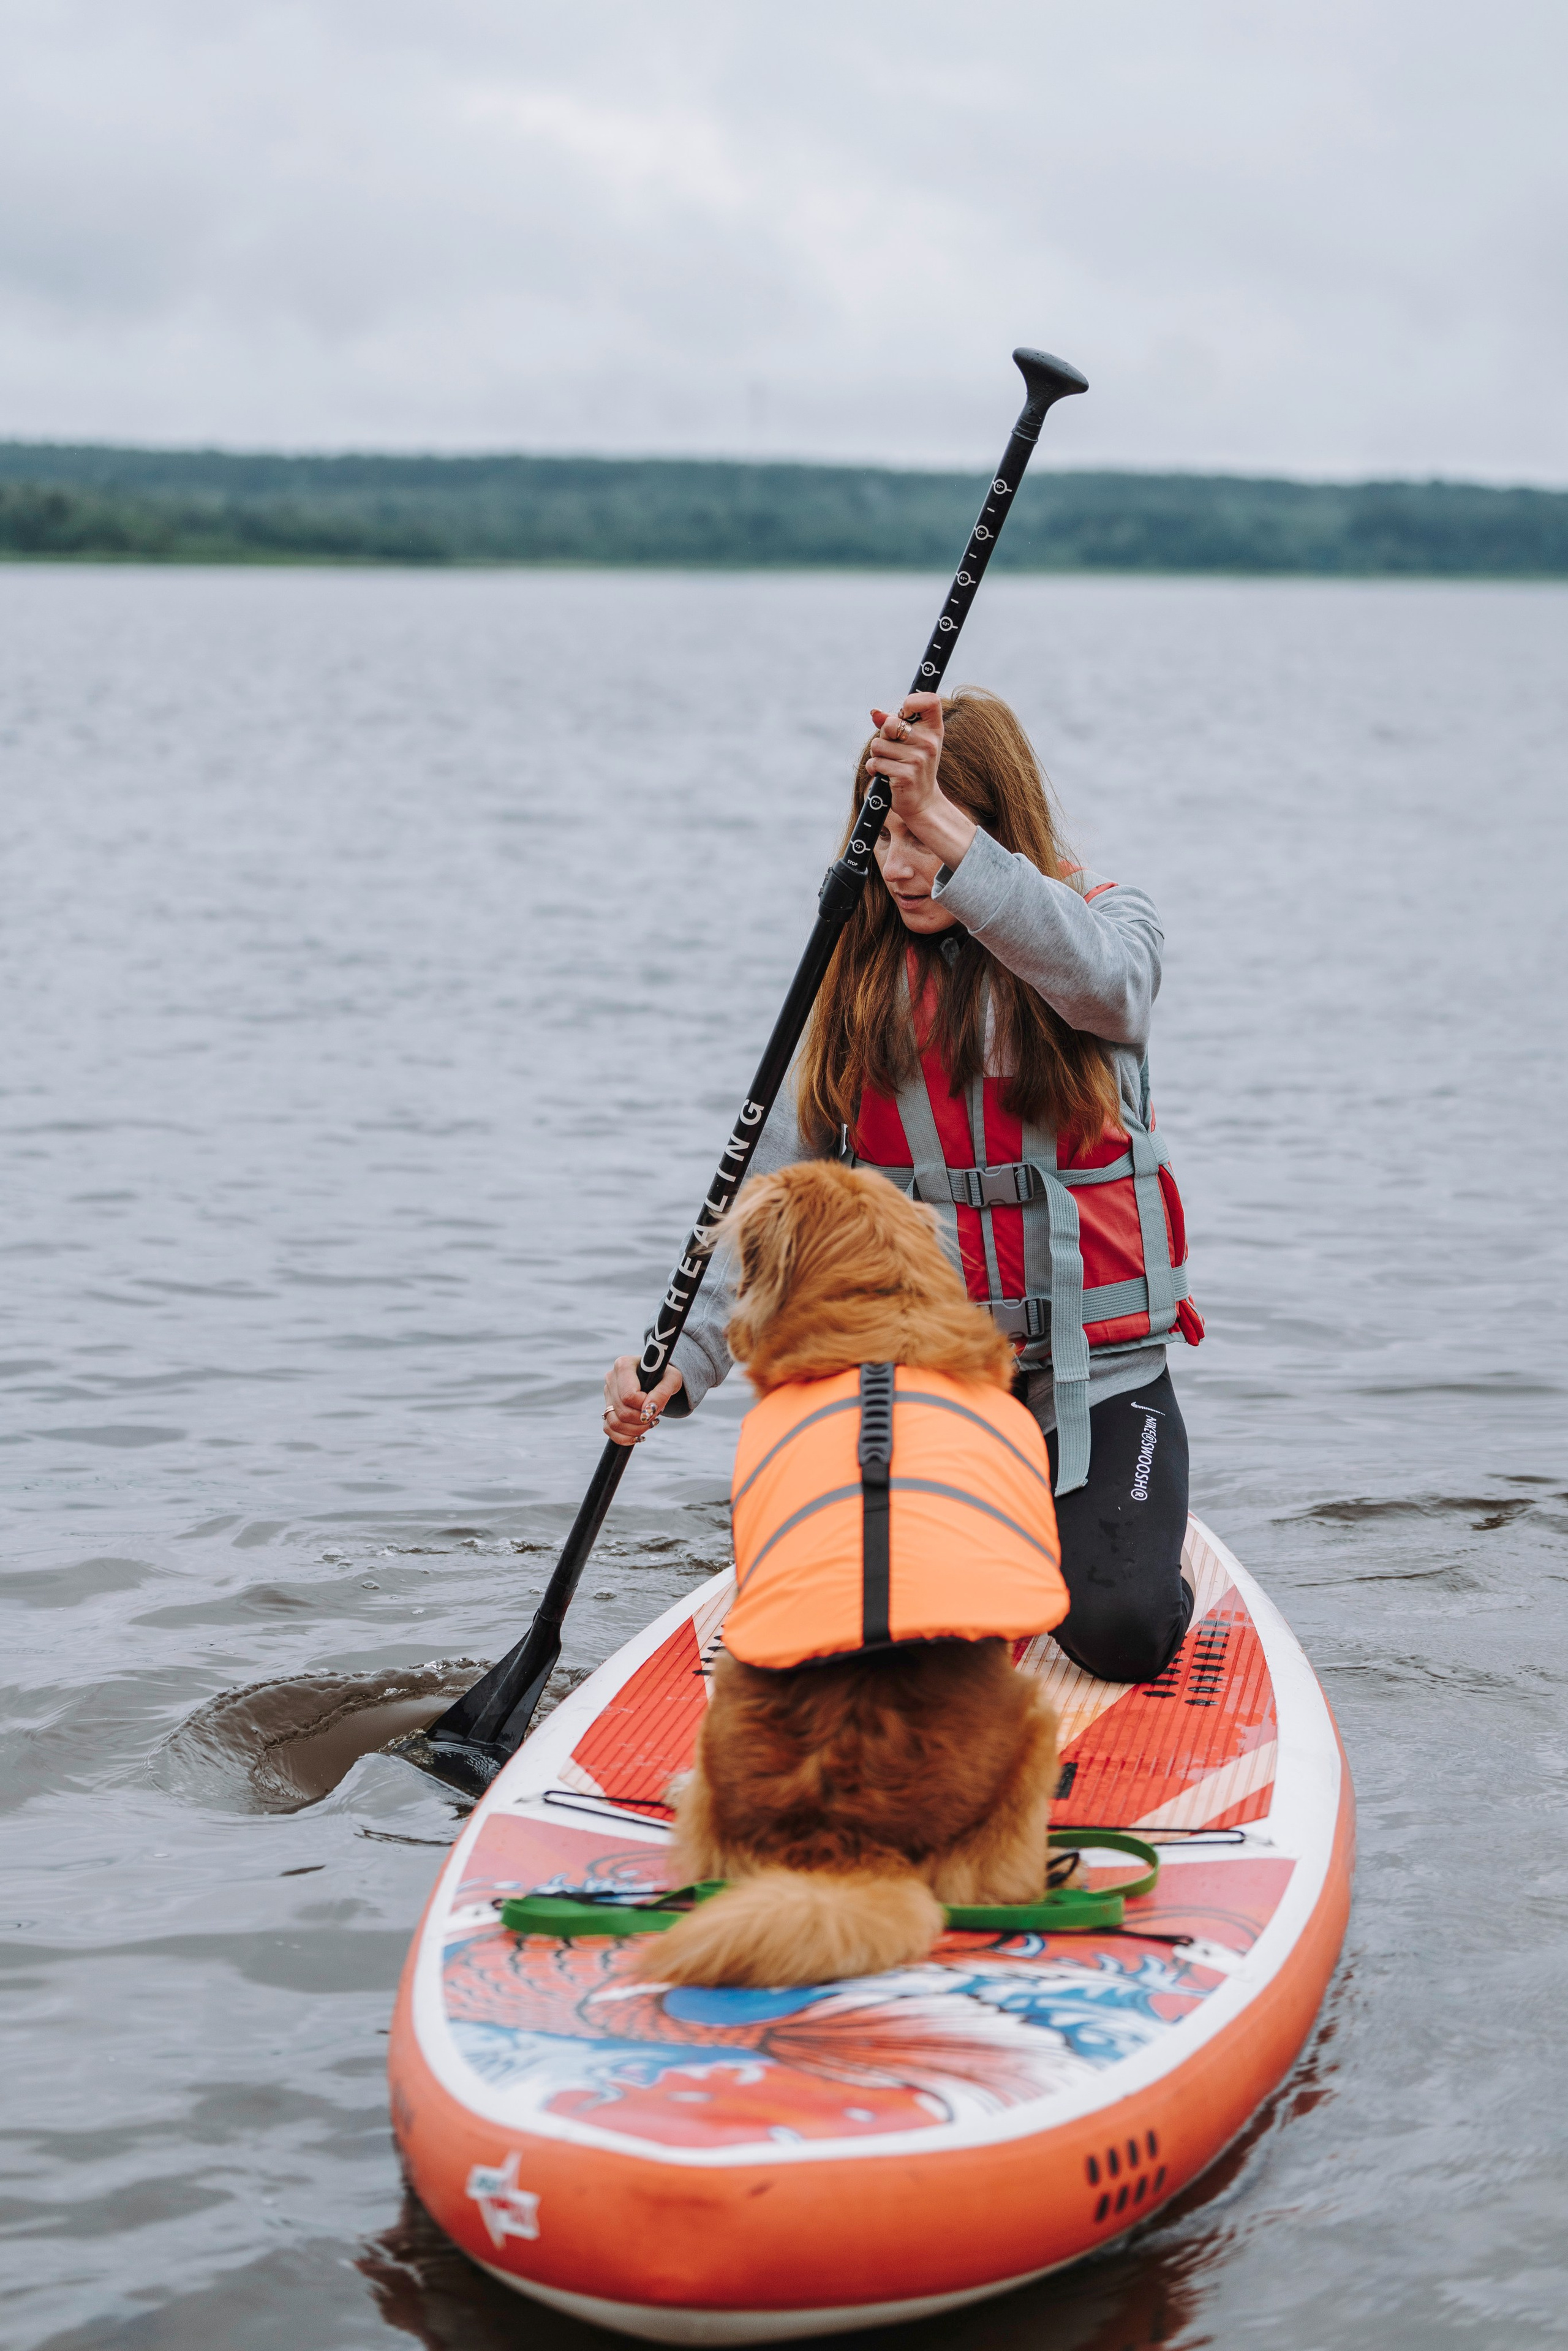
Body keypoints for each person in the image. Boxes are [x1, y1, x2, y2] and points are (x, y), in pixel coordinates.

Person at [603, 687, 1204, 1686]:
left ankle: (1125, 1540)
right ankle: (990, 1532)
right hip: (924, 1380)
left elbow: (1113, 990)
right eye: (884, 832)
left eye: (925, 832)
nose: (901, 863)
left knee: (1121, 1634)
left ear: (983, 828)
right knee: (888, 1634)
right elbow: (771, 1192)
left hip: (1092, 1380)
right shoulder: (851, 977)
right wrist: (685, 1360)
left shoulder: (1103, 927)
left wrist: (948, 833)